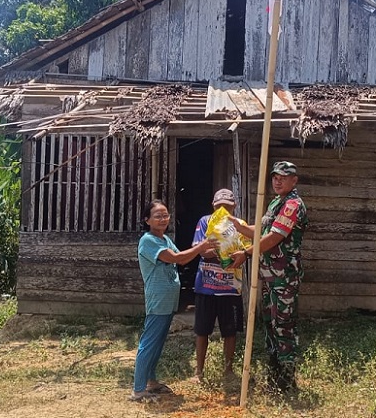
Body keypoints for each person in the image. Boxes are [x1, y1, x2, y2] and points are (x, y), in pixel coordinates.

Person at [238, 161, 308, 392]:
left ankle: (287, 383)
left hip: (284, 276)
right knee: (269, 323)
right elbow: (261, 231)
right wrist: (235, 225)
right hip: (269, 275)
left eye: (283, 177)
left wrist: (246, 253)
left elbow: (273, 238)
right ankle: (274, 376)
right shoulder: (277, 202)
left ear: (294, 180)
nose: (278, 180)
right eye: (275, 177)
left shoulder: (292, 205)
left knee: (283, 325)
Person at [131, 200, 209, 402]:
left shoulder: (164, 238)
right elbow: (179, 259)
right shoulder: (148, 240)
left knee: (157, 342)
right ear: (147, 220)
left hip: (168, 299)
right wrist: (202, 246)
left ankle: (151, 381)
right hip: (158, 298)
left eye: (165, 215)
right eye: (158, 216)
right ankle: (138, 389)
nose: (163, 219)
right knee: (149, 342)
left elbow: (180, 255)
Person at [191, 188, 247, 382]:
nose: (223, 209)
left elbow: (245, 251)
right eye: (219, 206)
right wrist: (221, 250)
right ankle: (199, 371)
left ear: (234, 206)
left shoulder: (239, 225)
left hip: (230, 287)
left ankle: (229, 370)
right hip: (206, 285)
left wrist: (235, 254)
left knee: (230, 331)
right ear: (213, 206)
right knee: (202, 330)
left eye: (227, 206)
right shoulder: (205, 222)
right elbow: (200, 250)